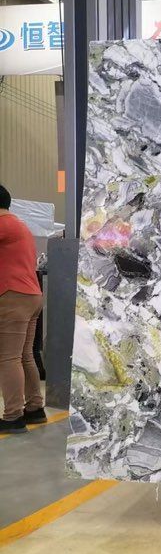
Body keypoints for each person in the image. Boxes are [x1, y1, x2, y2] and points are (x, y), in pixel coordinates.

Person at [0, 184, 46, 434]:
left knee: (8, 358)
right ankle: (35, 408)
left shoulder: (4, 224)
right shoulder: (19, 225)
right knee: (25, 355)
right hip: (31, 295)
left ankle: (13, 417)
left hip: (13, 296)